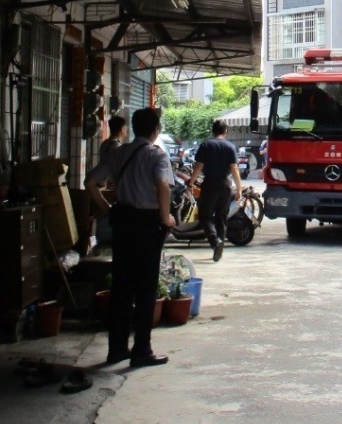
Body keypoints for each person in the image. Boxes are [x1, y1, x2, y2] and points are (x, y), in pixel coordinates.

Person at [85, 107, 175, 367]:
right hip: (147, 225)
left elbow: (91, 182)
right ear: (155, 130)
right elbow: (162, 186)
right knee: (146, 288)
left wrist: (107, 207)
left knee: (122, 287)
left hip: (122, 223)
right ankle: (141, 350)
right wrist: (166, 218)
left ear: (134, 128)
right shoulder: (156, 156)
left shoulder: (118, 153)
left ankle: (116, 350)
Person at [190, 120, 243, 262]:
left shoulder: (206, 145)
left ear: (212, 131)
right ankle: (219, 246)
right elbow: (234, 168)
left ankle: (215, 242)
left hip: (210, 184)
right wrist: (239, 189)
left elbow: (199, 166)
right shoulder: (231, 146)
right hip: (225, 185)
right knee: (221, 218)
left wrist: (190, 182)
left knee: (205, 216)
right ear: (225, 131)